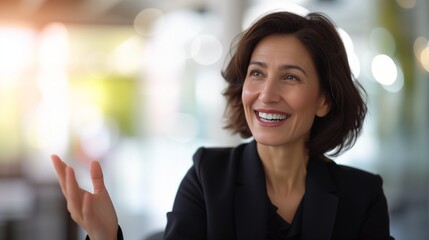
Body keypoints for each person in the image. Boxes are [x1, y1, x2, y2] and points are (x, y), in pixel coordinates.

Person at [51, 11, 394, 240]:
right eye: (257, 73)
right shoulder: (208, 176)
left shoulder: (361, 196)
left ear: (324, 101)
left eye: (290, 77)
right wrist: (105, 235)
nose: (267, 94)